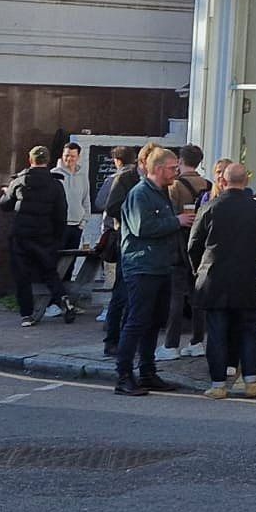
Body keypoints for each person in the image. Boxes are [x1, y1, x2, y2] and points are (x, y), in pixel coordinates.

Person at [186, 162, 256, 400]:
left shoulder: (210, 207)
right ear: (246, 182)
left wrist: (199, 270)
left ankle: (218, 385)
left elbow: (193, 244)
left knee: (216, 332)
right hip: (244, 277)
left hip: (213, 277)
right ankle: (252, 381)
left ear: (223, 182)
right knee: (247, 330)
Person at [115, 147, 192, 396]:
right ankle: (124, 375)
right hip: (142, 266)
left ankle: (147, 372)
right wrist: (176, 221)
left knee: (154, 322)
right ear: (158, 169)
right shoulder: (140, 194)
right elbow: (141, 227)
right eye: (172, 168)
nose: (176, 172)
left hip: (160, 265)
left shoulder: (161, 193)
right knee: (137, 321)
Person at [0, 146, 75, 327]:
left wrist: (6, 192)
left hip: (21, 237)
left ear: (30, 160)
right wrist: (57, 238)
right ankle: (63, 298)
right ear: (47, 161)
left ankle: (27, 314)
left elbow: (4, 205)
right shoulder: (56, 184)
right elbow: (61, 214)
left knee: (22, 276)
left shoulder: (20, 181)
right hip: (45, 236)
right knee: (50, 272)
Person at [161, 146, 210, 361]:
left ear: (180, 160)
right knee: (197, 296)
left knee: (176, 297)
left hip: (179, 246)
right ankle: (197, 341)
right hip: (201, 248)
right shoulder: (209, 185)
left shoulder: (175, 187)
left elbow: (170, 215)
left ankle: (171, 344)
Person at [101, 145, 146, 355]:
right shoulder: (125, 178)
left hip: (144, 244)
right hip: (125, 240)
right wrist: (135, 214)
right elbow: (110, 207)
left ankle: (129, 340)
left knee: (135, 295)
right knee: (121, 292)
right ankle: (112, 340)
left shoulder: (154, 182)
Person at [55, 141, 89, 250]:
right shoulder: (54, 174)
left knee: (71, 262)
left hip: (77, 227)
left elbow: (86, 200)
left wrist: (83, 222)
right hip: (60, 226)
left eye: (72, 156)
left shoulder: (82, 176)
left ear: (78, 157)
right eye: (66, 155)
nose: (69, 159)